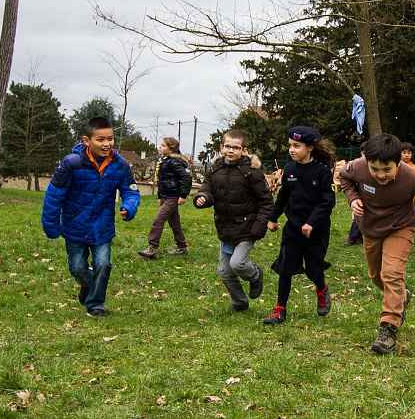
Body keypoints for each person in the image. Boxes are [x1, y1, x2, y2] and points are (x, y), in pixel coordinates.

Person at [339, 133, 415, 354]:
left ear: (398, 163)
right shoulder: (357, 167)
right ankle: (402, 296)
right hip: (370, 228)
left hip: (401, 227)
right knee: (376, 276)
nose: (380, 175)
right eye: (374, 169)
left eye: (387, 170)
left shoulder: (412, 176)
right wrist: (353, 198)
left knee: (391, 274)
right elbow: (344, 177)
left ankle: (388, 328)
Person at [41, 117, 141, 317]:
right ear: (87, 141)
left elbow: (131, 191)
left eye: (110, 139)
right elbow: (54, 195)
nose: (107, 144)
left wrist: (129, 207)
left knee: (103, 264)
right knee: (77, 267)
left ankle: (96, 304)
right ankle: (87, 285)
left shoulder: (120, 165)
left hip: (102, 226)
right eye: (101, 139)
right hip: (74, 225)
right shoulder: (71, 164)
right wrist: (51, 224)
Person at [193, 130, 273, 313]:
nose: (230, 150)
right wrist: (203, 197)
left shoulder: (251, 172)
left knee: (237, 264)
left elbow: (266, 202)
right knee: (224, 271)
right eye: (227, 146)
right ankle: (240, 302)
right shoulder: (215, 168)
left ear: (244, 150)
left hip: (247, 227)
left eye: (235, 147)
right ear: (221, 148)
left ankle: (255, 275)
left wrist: (259, 226)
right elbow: (207, 188)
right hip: (225, 226)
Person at [263, 126, 336, 325]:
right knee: (285, 268)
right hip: (293, 229)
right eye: (290, 146)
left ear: (310, 147)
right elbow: (283, 197)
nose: (291, 150)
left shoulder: (321, 171)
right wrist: (273, 217)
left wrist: (311, 223)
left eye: (297, 146)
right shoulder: (290, 169)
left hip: (317, 230)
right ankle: (279, 309)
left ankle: (321, 289)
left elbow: (327, 202)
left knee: (313, 268)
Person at [138, 137, 192, 259]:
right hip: (166, 196)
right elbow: (162, 181)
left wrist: (183, 195)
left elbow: (186, 178)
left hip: (173, 196)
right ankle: (182, 246)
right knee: (174, 223)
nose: (159, 147)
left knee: (158, 220)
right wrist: (159, 196)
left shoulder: (174, 162)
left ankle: (152, 248)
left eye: (163, 145)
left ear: (171, 148)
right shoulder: (165, 161)